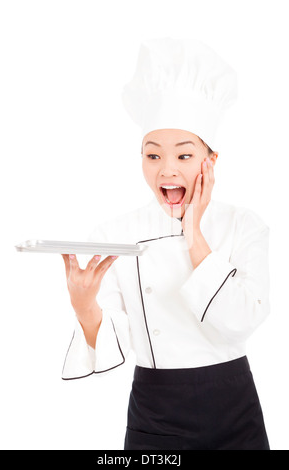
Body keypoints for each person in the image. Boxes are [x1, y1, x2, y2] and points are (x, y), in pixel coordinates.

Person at [61, 38, 270, 450]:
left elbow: (244, 319)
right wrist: (84, 305)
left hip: (234, 406)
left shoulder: (245, 225)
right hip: (156, 411)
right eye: (153, 156)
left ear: (210, 162)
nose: (167, 170)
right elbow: (113, 337)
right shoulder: (113, 236)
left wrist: (192, 232)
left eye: (185, 156)